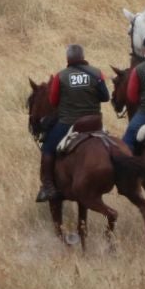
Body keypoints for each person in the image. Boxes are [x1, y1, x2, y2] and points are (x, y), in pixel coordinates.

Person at [37, 45, 110, 203]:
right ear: (83, 56)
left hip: (69, 123)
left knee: (48, 147)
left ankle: (48, 186)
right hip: (95, 122)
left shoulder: (61, 76)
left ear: (68, 59)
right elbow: (105, 97)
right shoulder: (97, 73)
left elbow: (53, 101)